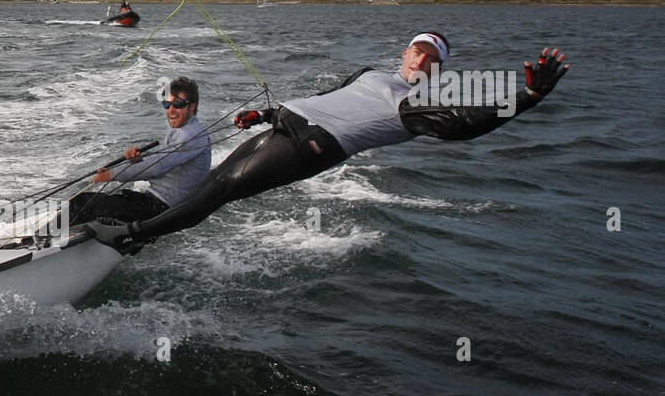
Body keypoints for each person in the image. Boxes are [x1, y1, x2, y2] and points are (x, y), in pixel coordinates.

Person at [86, 33, 571, 250]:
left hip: (312, 147)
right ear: (405, 51)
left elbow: (466, 123)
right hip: (287, 125)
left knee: (221, 191)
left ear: (439, 72)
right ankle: (141, 221)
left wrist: (528, 95)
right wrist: (266, 113)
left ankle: (130, 238)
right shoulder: (371, 74)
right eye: (418, 51)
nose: (422, 62)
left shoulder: (417, 105)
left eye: (432, 60)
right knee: (211, 183)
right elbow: (328, 98)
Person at [67, 76, 211, 226]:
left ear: (192, 107)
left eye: (178, 104)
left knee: (81, 203)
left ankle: (46, 242)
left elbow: (157, 166)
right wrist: (138, 160)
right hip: (157, 202)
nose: (171, 110)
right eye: (166, 104)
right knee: (86, 203)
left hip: (161, 209)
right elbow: (166, 162)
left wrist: (112, 174)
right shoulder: (189, 130)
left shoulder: (189, 135)